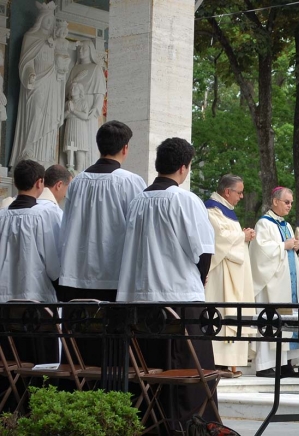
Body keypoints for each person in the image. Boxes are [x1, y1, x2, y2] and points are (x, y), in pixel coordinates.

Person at [116, 137, 216, 425]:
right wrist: (199, 277)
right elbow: (202, 250)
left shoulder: (137, 201)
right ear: (184, 168)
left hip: (138, 300)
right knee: (189, 375)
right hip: (180, 299)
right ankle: (190, 426)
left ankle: (150, 424)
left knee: (147, 371)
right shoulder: (184, 200)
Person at [58, 120, 146, 303]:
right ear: (125, 148)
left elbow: (66, 226)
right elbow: (139, 229)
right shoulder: (130, 182)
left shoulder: (77, 182)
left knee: (79, 331)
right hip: (114, 277)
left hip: (75, 275)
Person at [0, 160, 60, 370]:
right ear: (40, 182)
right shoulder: (45, 215)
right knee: (40, 363)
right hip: (37, 301)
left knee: (10, 362)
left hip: (5, 302)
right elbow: (54, 264)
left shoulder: (1, 216)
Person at [249, 187, 299, 377]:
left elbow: (291, 250)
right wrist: (284, 245)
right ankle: (265, 365)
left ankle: (285, 363)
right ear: (275, 202)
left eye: (291, 202)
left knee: (288, 322)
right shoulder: (264, 224)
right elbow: (261, 252)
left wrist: (296, 247)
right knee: (271, 321)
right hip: (272, 284)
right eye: (286, 202)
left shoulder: (287, 225)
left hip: (288, 283)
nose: (290, 205)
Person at [204, 174, 256, 378]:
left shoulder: (227, 211)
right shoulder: (211, 209)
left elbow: (229, 237)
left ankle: (229, 363)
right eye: (240, 192)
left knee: (231, 314)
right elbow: (218, 239)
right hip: (221, 275)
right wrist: (242, 236)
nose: (242, 196)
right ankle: (217, 361)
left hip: (233, 273)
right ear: (227, 191)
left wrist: (243, 236)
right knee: (221, 313)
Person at [10, 2, 64, 168]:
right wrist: (30, 74)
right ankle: (28, 150)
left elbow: (60, 65)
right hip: (37, 83)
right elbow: (26, 61)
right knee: (36, 115)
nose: (50, 24)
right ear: (41, 20)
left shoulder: (54, 42)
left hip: (51, 84)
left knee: (49, 117)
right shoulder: (31, 37)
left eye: (52, 22)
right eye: (48, 20)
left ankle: (46, 154)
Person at [64, 40, 107, 171]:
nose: (81, 51)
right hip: (75, 107)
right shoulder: (74, 68)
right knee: (74, 139)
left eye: (84, 49)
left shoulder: (95, 68)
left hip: (88, 107)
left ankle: (88, 167)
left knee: (87, 138)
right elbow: (68, 90)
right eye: (80, 49)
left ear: (91, 51)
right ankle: (73, 168)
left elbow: (100, 92)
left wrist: (95, 108)